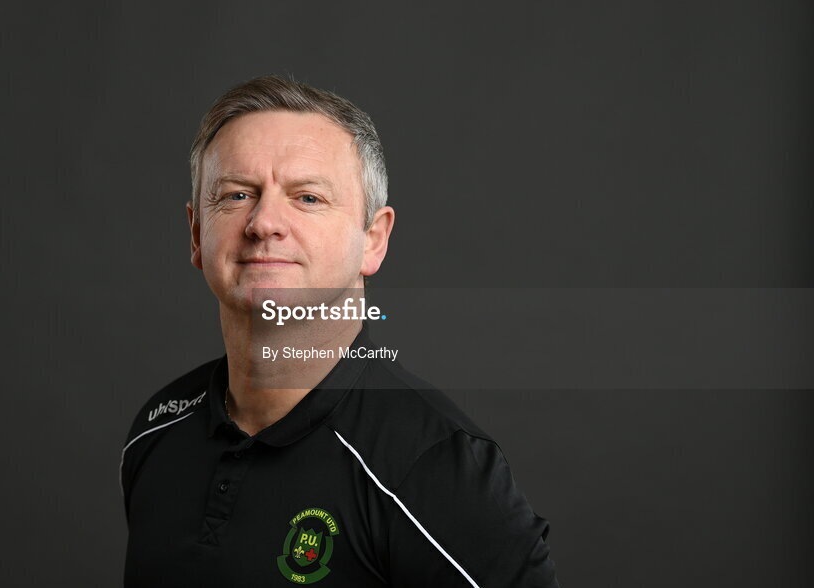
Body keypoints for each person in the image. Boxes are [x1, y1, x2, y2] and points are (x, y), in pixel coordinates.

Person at [120, 75, 559, 587]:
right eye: (238, 195)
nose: (264, 222)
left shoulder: (436, 469)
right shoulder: (156, 430)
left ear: (373, 240)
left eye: (307, 198)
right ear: (196, 234)